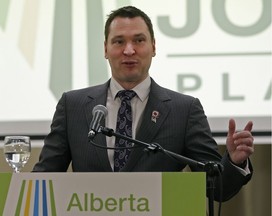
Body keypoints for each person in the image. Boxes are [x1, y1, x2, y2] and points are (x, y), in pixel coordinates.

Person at [33, 6, 254, 201]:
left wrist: (234, 162)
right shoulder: (72, 106)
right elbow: (43, 180)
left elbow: (217, 189)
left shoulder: (184, 110)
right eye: (119, 41)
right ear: (105, 49)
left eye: (139, 40)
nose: (129, 50)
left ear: (153, 47)